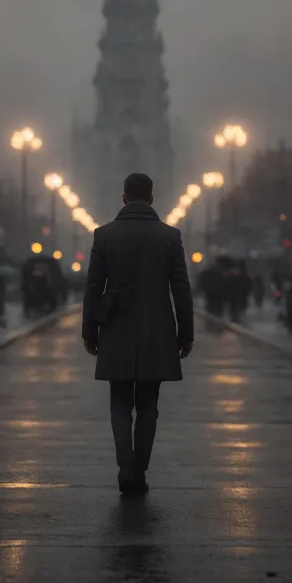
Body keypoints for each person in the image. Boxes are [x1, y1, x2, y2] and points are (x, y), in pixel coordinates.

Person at [82, 172, 194, 495]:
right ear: (153, 198)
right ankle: (139, 470)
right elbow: (181, 290)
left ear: (124, 198)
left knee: (119, 402)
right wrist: (185, 333)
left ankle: (125, 466)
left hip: (115, 329)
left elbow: (92, 288)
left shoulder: (104, 236)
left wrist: (89, 329)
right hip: (156, 333)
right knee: (148, 403)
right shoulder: (170, 237)